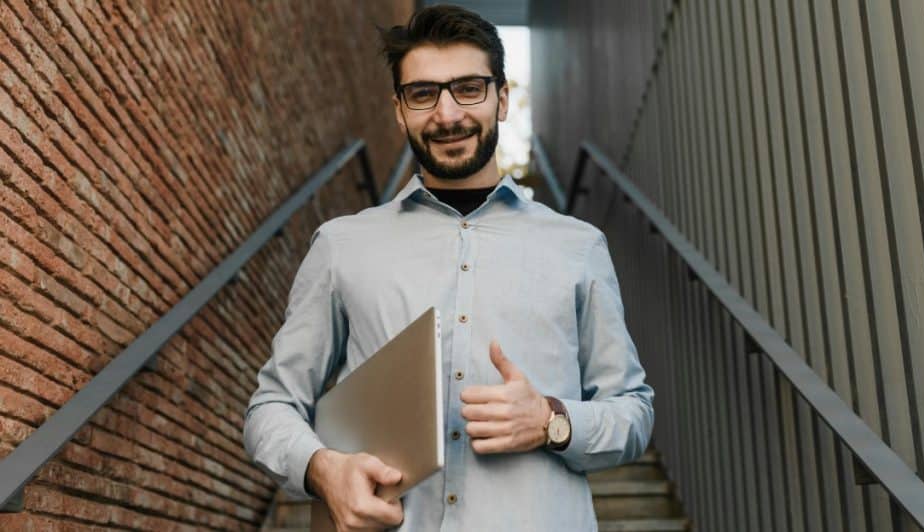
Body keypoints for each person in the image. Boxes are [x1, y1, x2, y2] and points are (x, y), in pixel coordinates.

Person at [243, 5, 654, 531]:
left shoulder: (578, 246)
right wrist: (324, 469)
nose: (447, 113)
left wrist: (552, 420)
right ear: (399, 110)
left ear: (502, 99)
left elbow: (634, 412)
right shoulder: (341, 246)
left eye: (468, 88)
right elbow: (271, 406)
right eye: (424, 94)